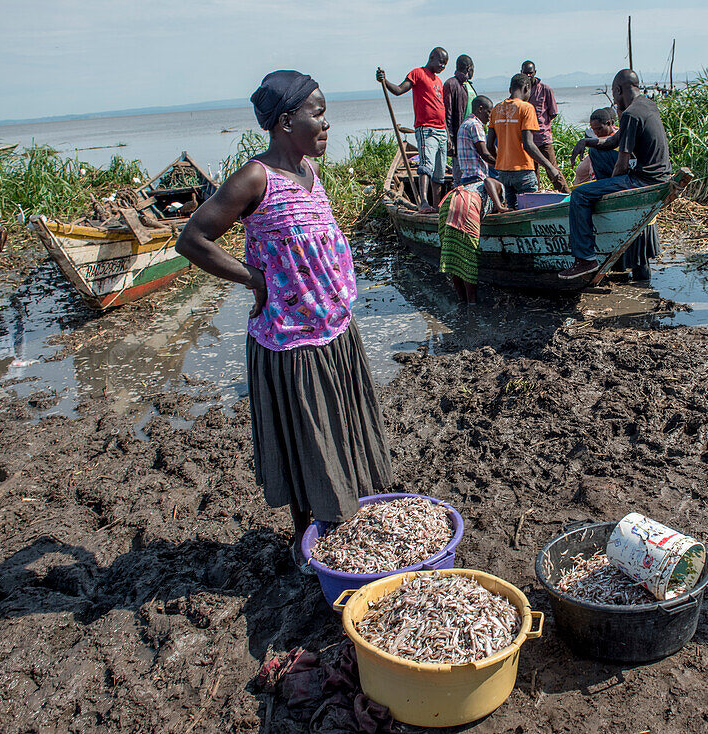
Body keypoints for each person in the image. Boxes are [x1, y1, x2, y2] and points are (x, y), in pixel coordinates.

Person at [174, 71, 393, 573]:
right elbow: (194, 239)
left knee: (339, 430)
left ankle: (341, 522)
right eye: (317, 112)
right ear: (286, 120)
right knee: (303, 438)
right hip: (291, 341)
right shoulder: (256, 178)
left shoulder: (311, 177)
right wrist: (256, 280)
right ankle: (305, 541)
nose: (325, 122)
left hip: (335, 331)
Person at [560, 69, 672, 280]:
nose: (613, 98)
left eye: (613, 93)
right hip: (660, 176)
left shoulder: (631, 114)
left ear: (619, 90)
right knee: (590, 189)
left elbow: (621, 165)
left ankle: (585, 259)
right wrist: (586, 142)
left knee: (580, 195)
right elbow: (613, 141)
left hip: (644, 179)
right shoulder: (647, 105)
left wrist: (608, 194)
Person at [573, 106, 660, 281]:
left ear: (612, 124)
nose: (597, 133)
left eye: (600, 129)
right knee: (633, 261)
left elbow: (608, 177)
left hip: (630, 209)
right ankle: (642, 295)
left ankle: (643, 298)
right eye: (594, 130)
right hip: (635, 208)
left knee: (638, 262)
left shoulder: (606, 147)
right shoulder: (624, 137)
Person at [441, 96, 508, 304]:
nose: (489, 118)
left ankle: (462, 301)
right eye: (488, 113)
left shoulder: (463, 126)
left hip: (455, 194)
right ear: (480, 109)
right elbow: (488, 174)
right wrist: (500, 206)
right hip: (474, 189)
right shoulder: (476, 125)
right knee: (468, 255)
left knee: (452, 256)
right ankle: (471, 303)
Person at [377, 48, 450, 212]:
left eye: (445, 63)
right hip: (427, 129)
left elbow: (441, 107)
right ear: (432, 58)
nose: (443, 66)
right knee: (426, 166)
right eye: (441, 62)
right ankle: (424, 202)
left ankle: (437, 207)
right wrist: (385, 81)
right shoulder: (418, 73)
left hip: (441, 131)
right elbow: (398, 90)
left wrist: (448, 134)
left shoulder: (438, 81)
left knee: (439, 172)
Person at [488, 74, 568, 210]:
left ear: (510, 89)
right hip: (523, 171)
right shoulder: (526, 108)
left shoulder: (497, 109)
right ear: (526, 88)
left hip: (503, 172)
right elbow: (528, 145)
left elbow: (489, 145)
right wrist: (550, 167)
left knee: (510, 210)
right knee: (530, 210)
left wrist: (501, 160)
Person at [521, 61, 559, 188]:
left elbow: (553, 113)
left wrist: (541, 125)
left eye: (530, 73)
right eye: (525, 73)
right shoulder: (521, 91)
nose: (528, 76)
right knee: (532, 174)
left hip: (543, 137)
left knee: (553, 170)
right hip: (527, 140)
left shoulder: (545, 89)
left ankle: (567, 196)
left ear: (535, 73)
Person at [443, 54, 478, 184]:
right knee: (459, 172)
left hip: (472, 135)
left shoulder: (468, 84)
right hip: (459, 136)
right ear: (469, 68)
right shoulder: (451, 84)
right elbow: (447, 113)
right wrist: (449, 137)